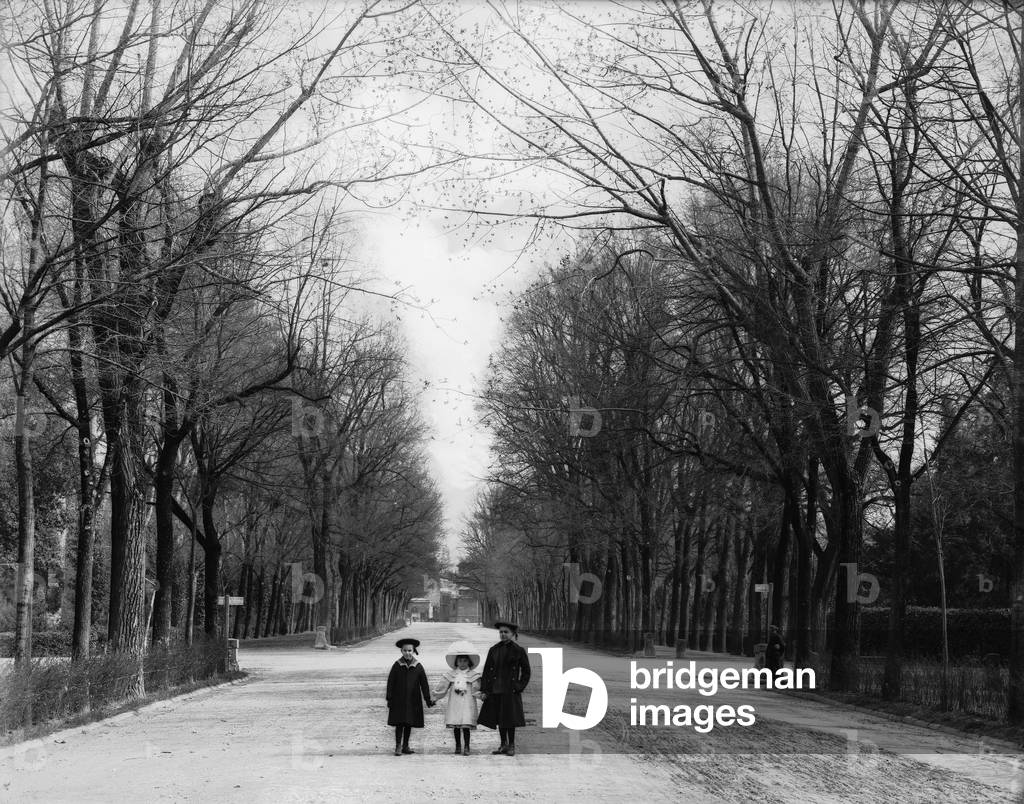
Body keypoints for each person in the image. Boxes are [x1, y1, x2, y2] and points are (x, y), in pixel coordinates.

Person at [477, 621, 531, 756]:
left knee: (510, 719)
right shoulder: (494, 650)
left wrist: (519, 686)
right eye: (501, 632)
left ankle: (511, 745)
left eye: (506, 632)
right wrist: (485, 689)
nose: (503, 634)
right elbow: (487, 671)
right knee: (499, 719)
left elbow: (526, 671)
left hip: (510, 690)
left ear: (513, 634)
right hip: (495, 689)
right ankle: (503, 745)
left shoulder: (518, 651)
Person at [386, 637, 435, 756]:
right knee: (399, 723)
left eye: (410, 651)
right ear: (401, 651)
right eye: (405, 651)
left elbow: (424, 684)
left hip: (412, 700)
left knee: (409, 722)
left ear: (413, 651)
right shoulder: (397, 665)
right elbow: (391, 682)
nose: (407, 653)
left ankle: (405, 745)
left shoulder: (417, 666)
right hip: (399, 699)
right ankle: (398, 745)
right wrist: (389, 697)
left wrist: (427, 699)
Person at [432, 639, 482, 755]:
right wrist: (434, 697)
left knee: (466, 725)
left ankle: (467, 747)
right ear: (456, 662)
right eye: (460, 661)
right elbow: (442, 687)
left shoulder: (473, 675)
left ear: (468, 662)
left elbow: (477, 689)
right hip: (455, 703)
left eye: (465, 661)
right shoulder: (451, 674)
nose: (462, 663)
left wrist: (483, 696)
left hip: (467, 703)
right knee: (456, 726)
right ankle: (458, 746)